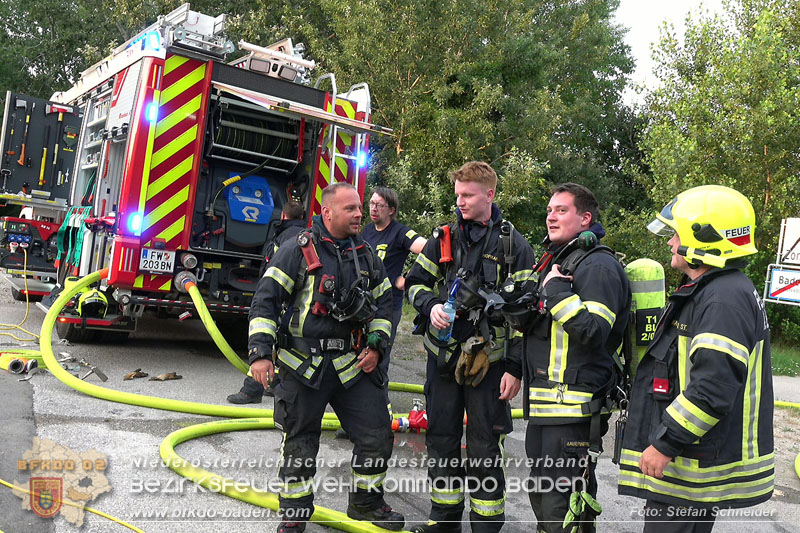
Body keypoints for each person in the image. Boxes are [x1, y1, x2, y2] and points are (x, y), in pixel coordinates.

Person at [248, 183, 405, 533]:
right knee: (301, 442)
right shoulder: (296, 250)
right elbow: (265, 301)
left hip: (352, 365)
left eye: (360, 208)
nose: (360, 214)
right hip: (304, 366)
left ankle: (366, 504)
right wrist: (260, 353)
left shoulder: (365, 253)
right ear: (328, 212)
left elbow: (384, 303)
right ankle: (295, 514)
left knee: (377, 434)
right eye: (351, 209)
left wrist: (377, 344)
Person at [618, 185, 774, 532]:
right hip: (694, 459)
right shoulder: (720, 290)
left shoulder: (722, 300)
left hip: (691, 460)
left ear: (702, 240)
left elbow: (712, 388)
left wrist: (664, 442)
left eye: (676, 234)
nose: (671, 242)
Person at [405, 161, 535, 533]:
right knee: (441, 438)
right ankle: (444, 521)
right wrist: (430, 308)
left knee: (484, 444)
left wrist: (514, 368)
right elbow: (415, 282)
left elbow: (526, 315)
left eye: (467, 195)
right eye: (457, 194)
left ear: (490, 195)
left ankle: (486, 525)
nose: (459, 201)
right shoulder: (443, 236)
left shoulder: (514, 245)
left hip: (489, 363)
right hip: (443, 358)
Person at [521, 183, 631, 533]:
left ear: (585, 218)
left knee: (562, 503)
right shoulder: (557, 261)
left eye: (561, 210)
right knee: (548, 497)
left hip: (573, 409)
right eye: (550, 210)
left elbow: (595, 332)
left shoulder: (598, 266)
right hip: (547, 407)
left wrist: (555, 291)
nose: (551, 216)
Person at [228, 200, 306, 404]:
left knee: (267, 340)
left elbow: (272, 271)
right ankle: (275, 383)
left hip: (280, 299)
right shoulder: (305, 236)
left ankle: (252, 389)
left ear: (283, 216)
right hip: (295, 302)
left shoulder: (283, 237)